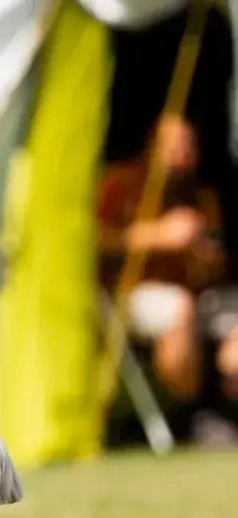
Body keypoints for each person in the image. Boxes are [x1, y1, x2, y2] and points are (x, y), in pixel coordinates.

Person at [97, 112, 238, 444]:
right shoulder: (120, 183)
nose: (182, 154)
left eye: (189, 146)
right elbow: (91, 241)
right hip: (125, 294)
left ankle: (224, 413)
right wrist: (158, 236)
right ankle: (184, 418)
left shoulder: (201, 196)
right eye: (174, 146)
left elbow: (211, 271)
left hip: (193, 293)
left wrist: (203, 255)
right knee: (180, 308)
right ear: (152, 147)